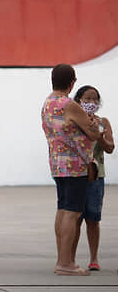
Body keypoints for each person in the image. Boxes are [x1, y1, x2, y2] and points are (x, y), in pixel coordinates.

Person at [41, 64, 104, 276]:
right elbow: (94, 134)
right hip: (75, 165)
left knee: (62, 209)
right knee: (73, 212)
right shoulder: (69, 104)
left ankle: (62, 258)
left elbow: (63, 128)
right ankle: (65, 263)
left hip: (57, 163)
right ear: (72, 82)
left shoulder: (48, 103)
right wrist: (95, 125)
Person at [70, 85, 113, 271]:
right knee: (74, 219)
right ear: (78, 100)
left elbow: (110, 147)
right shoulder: (72, 121)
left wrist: (99, 135)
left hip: (96, 176)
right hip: (75, 175)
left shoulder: (103, 122)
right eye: (87, 99)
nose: (91, 103)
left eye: (95, 99)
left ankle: (94, 258)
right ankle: (69, 258)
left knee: (93, 219)